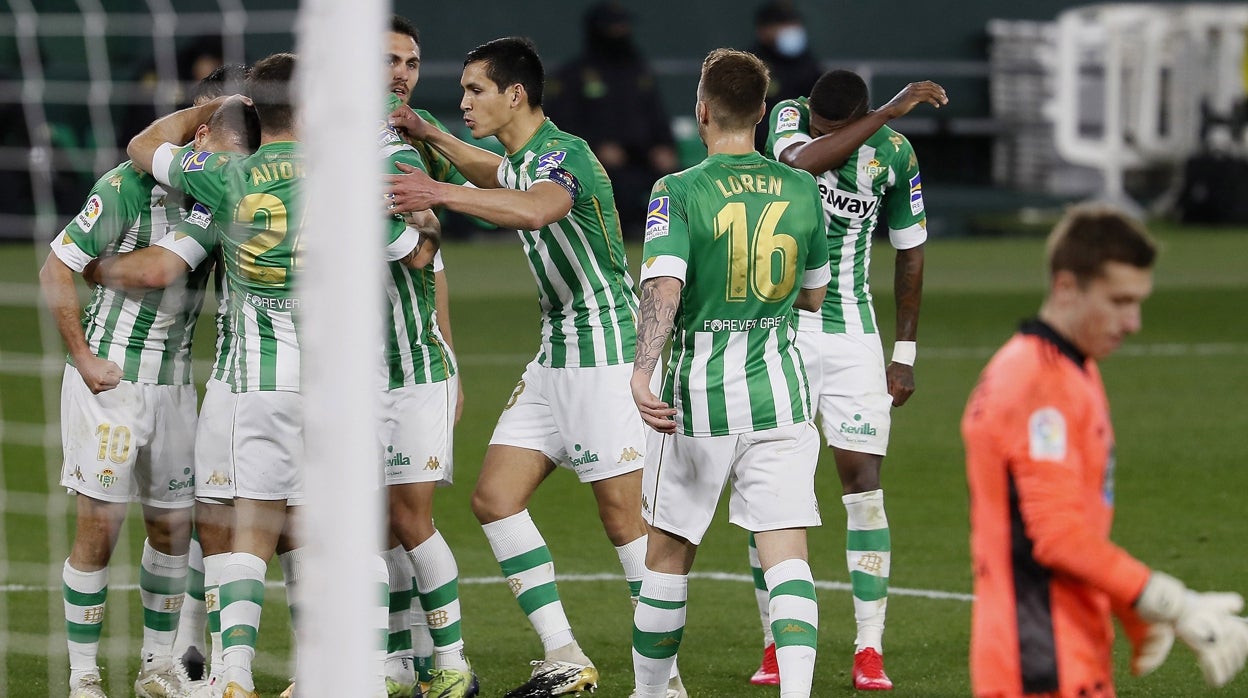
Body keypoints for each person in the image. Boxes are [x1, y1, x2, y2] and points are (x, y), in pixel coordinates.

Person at [385, 36, 662, 697]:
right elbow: (494, 174)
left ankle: (665, 681)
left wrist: (438, 193)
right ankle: (564, 652)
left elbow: (538, 208)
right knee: (494, 499)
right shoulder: (524, 154)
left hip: (603, 354)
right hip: (555, 353)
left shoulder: (564, 155)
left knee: (625, 521)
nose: (463, 101)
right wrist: (432, 135)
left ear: (515, 94)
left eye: (474, 90)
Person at [962, 204, 1248, 696]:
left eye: (1138, 302)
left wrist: (1131, 611)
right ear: (1068, 287)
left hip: (1068, 650)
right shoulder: (1038, 384)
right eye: (1118, 301)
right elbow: (1055, 536)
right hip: (1038, 661)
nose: (1133, 322)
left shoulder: (1074, 369)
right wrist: (1167, 600)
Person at [37, 82, 254, 698]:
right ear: (200, 137)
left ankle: (157, 668)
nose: (224, 174)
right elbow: (56, 267)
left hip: (175, 387)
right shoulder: (123, 186)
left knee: (170, 531)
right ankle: (83, 677)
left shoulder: (219, 198)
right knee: (97, 530)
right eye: (219, 158)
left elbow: (158, 269)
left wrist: (96, 267)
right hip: (110, 384)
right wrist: (81, 357)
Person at [628, 47, 831, 698]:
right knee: (787, 557)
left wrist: (641, 372)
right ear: (764, 113)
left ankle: (652, 693)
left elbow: (663, 284)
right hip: (778, 395)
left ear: (703, 110)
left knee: (667, 555)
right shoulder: (802, 186)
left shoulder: (679, 191)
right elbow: (815, 295)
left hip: (695, 401)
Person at [749, 69, 947, 691]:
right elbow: (804, 160)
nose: (820, 135)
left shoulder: (894, 156)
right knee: (772, 483)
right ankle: (776, 643)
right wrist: (886, 111)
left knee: (862, 483)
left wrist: (904, 351)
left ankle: (869, 647)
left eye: (834, 127)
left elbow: (910, 249)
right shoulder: (788, 116)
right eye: (819, 124)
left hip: (850, 333)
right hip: (780, 326)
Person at [121, 54, 311, 698]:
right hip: (339, 382)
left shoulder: (228, 176)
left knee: (225, 518)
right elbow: (418, 250)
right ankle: (332, 669)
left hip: (251, 380)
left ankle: (229, 672)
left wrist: (211, 108)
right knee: (313, 523)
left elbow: (143, 146)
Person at [378, 15, 477, 698]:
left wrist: (447, 352)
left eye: (412, 62)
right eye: (391, 60)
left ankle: (449, 660)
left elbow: (427, 249)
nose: (403, 73)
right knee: (372, 521)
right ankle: (394, 658)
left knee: (409, 517)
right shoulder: (315, 134)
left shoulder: (404, 140)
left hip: (409, 367)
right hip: (344, 368)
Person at [544, 2, 678, 238]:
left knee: (678, 180)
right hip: (598, 162)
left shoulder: (638, 70)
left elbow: (657, 115)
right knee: (619, 186)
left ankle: (674, 237)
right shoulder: (574, 74)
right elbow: (563, 123)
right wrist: (595, 148)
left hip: (645, 158)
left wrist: (665, 147)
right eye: (614, 27)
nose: (621, 32)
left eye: (623, 25)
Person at [749, 1, 822, 153]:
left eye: (793, 24)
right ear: (764, 30)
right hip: (758, 149)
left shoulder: (807, 62)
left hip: (801, 146)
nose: (790, 30)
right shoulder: (751, 63)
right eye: (782, 25)